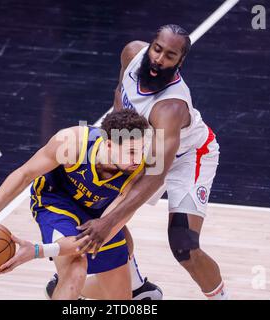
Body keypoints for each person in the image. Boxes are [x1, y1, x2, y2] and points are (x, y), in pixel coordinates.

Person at [75, 24, 230, 300]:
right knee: (100, 209)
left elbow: (156, 174)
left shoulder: (171, 106)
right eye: (157, 49)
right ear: (150, 44)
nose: (159, 59)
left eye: (170, 56)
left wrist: (110, 220)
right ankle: (138, 290)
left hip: (189, 157)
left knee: (184, 245)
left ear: (180, 62)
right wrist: (117, 146)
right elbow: (120, 96)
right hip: (144, 148)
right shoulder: (132, 54)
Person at [0, 109, 157, 300]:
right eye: (131, 152)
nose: (137, 158)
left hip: (97, 213)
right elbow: (25, 174)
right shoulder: (72, 143)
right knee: (76, 271)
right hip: (55, 200)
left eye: (141, 150)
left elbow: (92, 240)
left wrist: (37, 251)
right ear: (108, 145)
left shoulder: (141, 171)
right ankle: (66, 286)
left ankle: (59, 288)